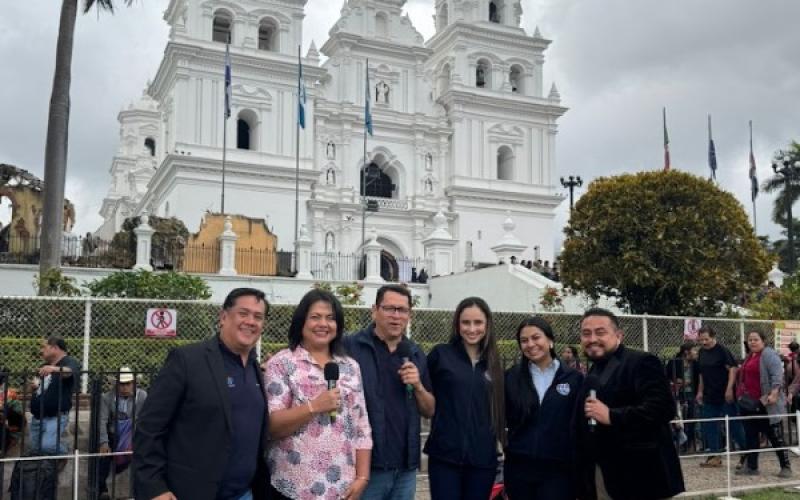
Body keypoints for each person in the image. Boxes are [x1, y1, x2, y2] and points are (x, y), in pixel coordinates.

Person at [133, 288, 270, 500]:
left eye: (258, 317)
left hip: (244, 494)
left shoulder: (256, 370)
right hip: (189, 492)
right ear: (223, 317)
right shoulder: (187, 360)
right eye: (243, 313)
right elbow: (150, 427)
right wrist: (154, 487)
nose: (251, 321)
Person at [265, 289, 372, 500]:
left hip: (342, 485)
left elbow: (362, 426)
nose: (323, 324)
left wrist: (362, 477)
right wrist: (314, 406)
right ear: (301, 322)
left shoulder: (351, 367)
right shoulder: (282, 364)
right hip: (294, 486)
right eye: (315, 317)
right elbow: (272, 426)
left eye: (330, 318)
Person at [576, 308, 684, 500]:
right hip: (605, 474)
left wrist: (612, 416)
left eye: (600, 332)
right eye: (586, 333)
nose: (592, 338)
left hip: (641, 477)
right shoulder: (594, 370)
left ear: (618, 335)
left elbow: (663, 408)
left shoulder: (641, 362)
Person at [345, 284, 435, 500]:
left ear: (409, 315)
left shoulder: (414, 353)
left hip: (406, 468)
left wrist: (419, 386)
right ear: (374, 310)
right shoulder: (350, 346)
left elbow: (429, 410)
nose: (396, 316)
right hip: (365, 467)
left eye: (402, 310)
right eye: (389, 309)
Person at [424, 297, 505, 500]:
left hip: (482, 460)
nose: (472, 329)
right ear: (457, 324)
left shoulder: (495, 363)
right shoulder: (440, 355)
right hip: (445, 457)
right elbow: (422, 395)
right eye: (465, 322)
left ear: (487, 326)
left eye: (478, 323)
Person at [504, 317, 583, 500]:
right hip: (519, 469)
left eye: (536, 337)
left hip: (560, 470)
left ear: (550, 341)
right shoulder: (510, 377)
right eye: (524, 341)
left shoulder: (574, 378)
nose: (530, 344)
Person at [736, 331, 792, 478]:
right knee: (751, 435)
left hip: (765, 402)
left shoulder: (768, 355)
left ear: (763, 341)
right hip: (749, 402)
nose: (752, 342)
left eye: (756, 339)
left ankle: (786, 466)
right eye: (750, 340)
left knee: (774, 435)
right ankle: (752, 466)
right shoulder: (750, 356)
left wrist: (774, 393)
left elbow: (777, 375)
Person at [695, 326, 745, 467]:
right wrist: (700, 391)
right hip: (709, 395)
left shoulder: (722, 350)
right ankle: (714, 456)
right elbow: (701, 374)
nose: (704, 342)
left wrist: (729, 389)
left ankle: (746, 454)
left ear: (713, 337)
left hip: (724, 394)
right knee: (709, 425)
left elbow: (732, 369)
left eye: (706, 339)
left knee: (734, 425)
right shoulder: (701, 352)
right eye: (701, 340)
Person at [96, 367, 148, 500]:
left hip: (134, 435)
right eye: (122, 384)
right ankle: (102, 491)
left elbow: (146, 419)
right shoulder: (107, 397)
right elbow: (102, 420)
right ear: (116, 384)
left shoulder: (142, 396)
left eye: (128, 383)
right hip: (114, 435)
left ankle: (139, 493)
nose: (125, 387)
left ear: (134, 383)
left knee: (140, 464)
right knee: (103, 462)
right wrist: (104, 442)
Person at [29, 335, 81, 455]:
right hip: (37, 417)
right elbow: (36, 388)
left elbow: (69, 372)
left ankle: (63, 451)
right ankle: (45, 472)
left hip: (55, 417)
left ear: (55, 348)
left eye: (44, 347)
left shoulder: (69, 361)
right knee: (35, 450)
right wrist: (33, 387)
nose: (41, 351)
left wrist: (53, 369)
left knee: (48, 446)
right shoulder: (44, 366)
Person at [666, 343, 699, 451]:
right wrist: (675, 381)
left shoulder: (696, 364)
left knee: (691, 419)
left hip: (691, 394)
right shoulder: (674, 363)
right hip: (677, 395)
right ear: (686, 352)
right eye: (694, 350)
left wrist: (689, 383)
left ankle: (690, 444)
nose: (696, 353)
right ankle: (679, 443)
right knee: (678, 420)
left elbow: (698, 379)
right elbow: (665, 377)